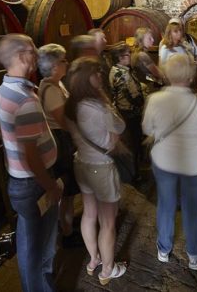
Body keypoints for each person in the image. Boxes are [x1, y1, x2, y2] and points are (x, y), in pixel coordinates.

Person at [0, 34, 62, 292]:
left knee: (29, 245)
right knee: (40, 249)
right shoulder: (24, 100)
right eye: (33, 51)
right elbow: (31, 155)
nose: (36, 55)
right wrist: (51, 186)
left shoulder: (5, 89)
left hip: (20, 181)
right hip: (35, 183)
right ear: (22, 55)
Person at [142, 54, 197, 271]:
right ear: (191, 77)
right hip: (194, 163)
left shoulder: (155, 99)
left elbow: (147, 129)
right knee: (192, 207)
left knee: (166, 203)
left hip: (164, 160)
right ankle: (194, 254)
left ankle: (164, 249)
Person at [65, 57, 128, 285]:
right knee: (108, 222)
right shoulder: (98, 107)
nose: (100, 77)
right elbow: (119, 127)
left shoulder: (70, 104)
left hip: (81, 163)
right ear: (85, 79)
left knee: (89, 215)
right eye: (95, 73)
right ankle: (108, 269)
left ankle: (93, 261)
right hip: (100, 167)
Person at [37, 43, 82, 248]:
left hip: (65, 139)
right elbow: (63, 120)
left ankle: (67, 224)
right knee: (67, 189)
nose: (67, 63)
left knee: (69, 188)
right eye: (63, 60)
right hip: (61, 142)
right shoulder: (51, 89)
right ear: (54, 66)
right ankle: (67, 231)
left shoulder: (56, 84)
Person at [109, 43, 144, 179]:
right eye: (128, 54)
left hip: (120, 111)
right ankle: (135, 174)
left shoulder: (113, 70)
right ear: (120, 57)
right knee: (134, 143)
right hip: (131, 113)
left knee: (129, 142)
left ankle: (132, 171)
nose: (130, 56)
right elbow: (136, 98)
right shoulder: (125, 75)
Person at [131, 27, 164, 93]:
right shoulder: (142, 55)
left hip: (141, 87)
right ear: (141, 40)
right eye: (149, 38)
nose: (153, 40)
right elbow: (158, 74)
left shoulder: (135, 52)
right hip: (148, 89)